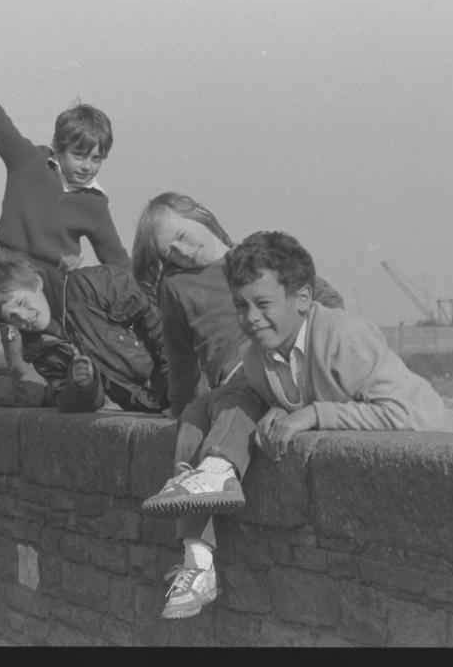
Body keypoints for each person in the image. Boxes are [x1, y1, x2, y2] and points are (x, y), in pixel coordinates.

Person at [141, 229, 453, 619]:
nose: (251, 318)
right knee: (204, 407)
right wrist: (277, 408)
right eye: (240, 306)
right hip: (360, 503)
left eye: (263, 303)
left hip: (439, 476)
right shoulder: (259, 357)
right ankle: (198, 552)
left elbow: (413, 417)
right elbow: (258, 397)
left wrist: (312, 415)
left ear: (304, 298)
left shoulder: (343, 336)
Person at [131, 193, 344, 619]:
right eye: (168, 251)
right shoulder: (175, 287)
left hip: (278, 369)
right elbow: (182, 358)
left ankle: (215, 473)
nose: (182, 250)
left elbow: (328, 303)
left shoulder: (256, 259)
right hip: (231, 380)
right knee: (193, 419)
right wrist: (179, 406)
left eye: (181, 236)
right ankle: (198, 561)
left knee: (231, 401)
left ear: (201, 217)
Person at [0, 57, 132, 383]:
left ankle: (47, 386)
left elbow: (116, 259)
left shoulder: (94, 203)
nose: (87, 166)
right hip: (10, 269)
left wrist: (146, 296)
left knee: (58, 353)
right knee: (21, 360)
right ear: (59, 148)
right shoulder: (28, 162)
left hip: (53, 282)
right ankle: (14, 375)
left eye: (96, 158)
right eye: (79, 155)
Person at [0, 252, 168, 413]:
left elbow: (160, 323)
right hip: (147, 404)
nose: (24, 317)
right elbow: (69, 402)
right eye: (12, 318)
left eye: (22, 303)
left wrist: (177, 389)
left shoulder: (91, 285)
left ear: (36, 283)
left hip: (177, 382)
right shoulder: (40, 352)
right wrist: (82, 387)